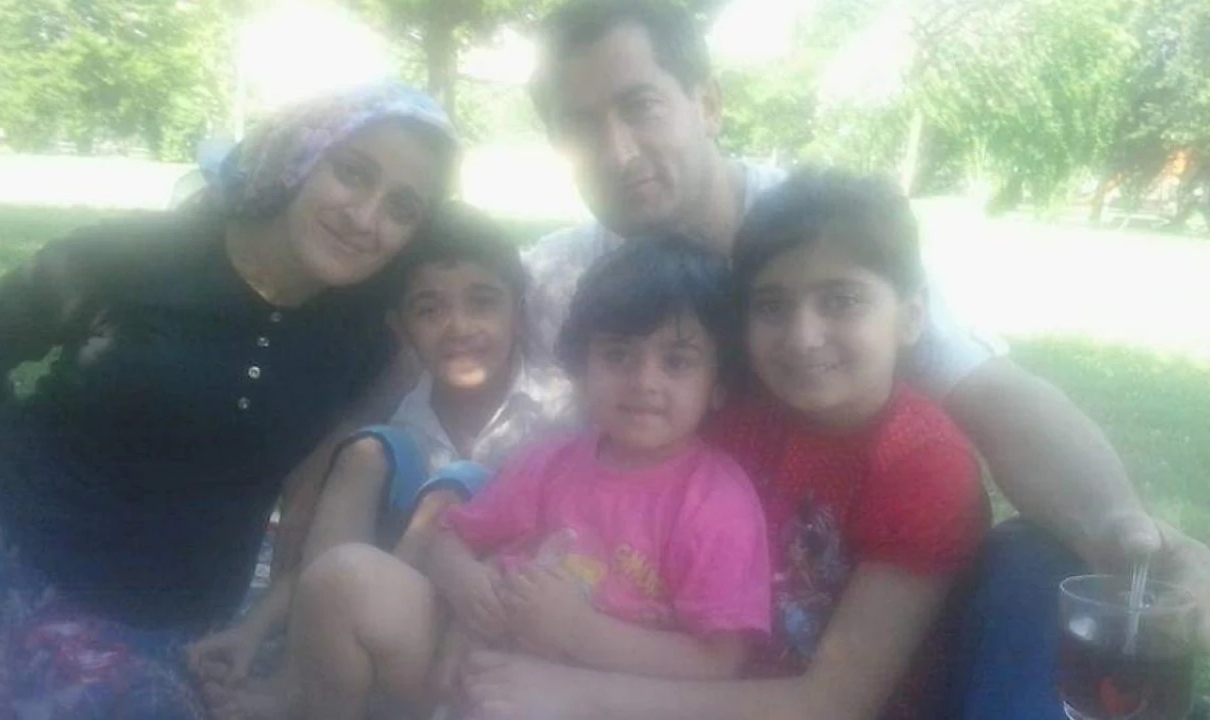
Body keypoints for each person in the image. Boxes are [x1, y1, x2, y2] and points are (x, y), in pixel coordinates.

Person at [475, 1, 1210, 717]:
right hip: (657, 628)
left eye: (639, 106)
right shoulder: (565, 279)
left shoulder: (817, 233)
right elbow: (518, 449)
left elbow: (991, 394)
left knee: (1032, 561)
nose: (618, 151)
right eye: (579, 125)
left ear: (707, 103)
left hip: (765, 665)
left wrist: (1122, 529)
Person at [0, 83, 457, 719]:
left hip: (158, 617)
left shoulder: (367, 336)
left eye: (402, 208)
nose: (366, 218)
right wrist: (2, 486)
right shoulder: (136, 256)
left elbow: (314, 500)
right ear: (298, 157)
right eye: (352, 172)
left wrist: (273, 635)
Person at [291, 236, 773, 719]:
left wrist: (579, 631)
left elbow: (719, 663)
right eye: (618, 355)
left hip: (590, 697)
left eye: (677, 362)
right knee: (343, 578)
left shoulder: (716, 502)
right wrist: (466, 582)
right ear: (583, 366)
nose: (645, 381)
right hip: (471, 659)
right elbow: (447, 538)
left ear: (718, 384)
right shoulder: (553, 459)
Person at [188, 202, 574, 719]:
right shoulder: (404, 417)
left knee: (456, 488)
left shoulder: (564, 412)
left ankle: (304, 692)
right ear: (402, 330)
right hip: (409, 616)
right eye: (430, 310)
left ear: (518, 314)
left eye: (483, 303)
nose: (459, 327)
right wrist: (253, 627)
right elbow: (331, 553)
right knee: (368, 454)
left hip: (499, 632)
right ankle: (299, 675)